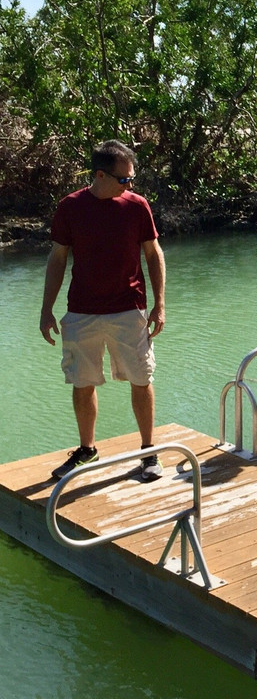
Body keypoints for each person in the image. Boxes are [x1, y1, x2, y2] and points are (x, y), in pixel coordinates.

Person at [40, 140, 166, 482]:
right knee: (82, 382)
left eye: (131, 179)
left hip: (130, 310)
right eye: (124, 179)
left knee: (141, 379)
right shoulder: (70, 208)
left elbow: (154, 255)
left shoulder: (137, 207)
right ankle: (86, 449)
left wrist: (159, 304)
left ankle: (148, 451)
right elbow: (57, 259)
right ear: (100, 175)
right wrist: (46, 309)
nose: (130, 185)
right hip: (82, 311)